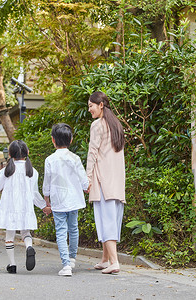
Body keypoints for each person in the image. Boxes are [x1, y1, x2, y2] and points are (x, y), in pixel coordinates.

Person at [0, 140, 49, 274]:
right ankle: (29, 247)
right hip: (25, 207)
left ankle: (12, 265)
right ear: (27, 153)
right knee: (25, 233)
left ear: (10, 154)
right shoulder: (32, 171)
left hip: (9, 207)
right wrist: (43, 206)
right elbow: (34, 193)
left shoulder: (6, 170)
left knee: (9, 236)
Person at [86, 91, 125, 274]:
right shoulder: (115, 124)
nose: (89, 110)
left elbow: (92, 153)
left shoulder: (97, 125)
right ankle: (105, 259)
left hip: (103, 180)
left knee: (105, 221)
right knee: (111, 219)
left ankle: (115, 262)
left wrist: (87, 178)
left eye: (91, 106)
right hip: (116, 181)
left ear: (100, 105)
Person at [42, 123, 89, 276]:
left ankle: (66, 265)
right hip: (74, 199)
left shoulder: (50, 159)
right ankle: (72, 258)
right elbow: (83, 179)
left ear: (53, 140)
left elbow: (47, 181)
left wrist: (46, 198)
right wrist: (87, 186)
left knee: (61, 231)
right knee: (73, 228)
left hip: (58, 200)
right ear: (71, 139)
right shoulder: (75, 158)